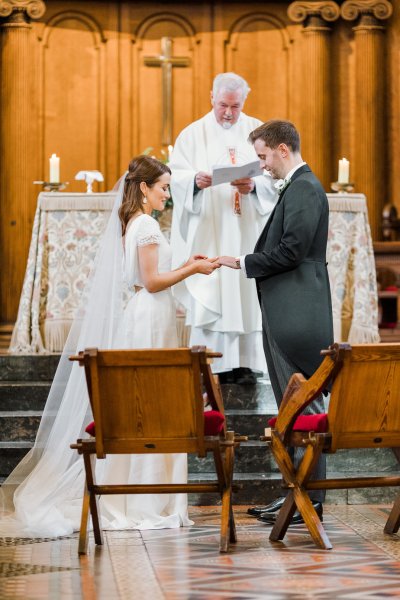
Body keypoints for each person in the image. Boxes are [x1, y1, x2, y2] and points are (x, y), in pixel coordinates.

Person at [0, 156, 219, 537]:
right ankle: (147, 499)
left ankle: (141, 494)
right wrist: (192, 269)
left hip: (150, 315)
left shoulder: (135, 223)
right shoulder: (147, 223)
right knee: (152, 405)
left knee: (148, 403)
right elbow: (151, 282)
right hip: (150, 317)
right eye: (163, 187)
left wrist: (184, 262)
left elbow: (148, 276)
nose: (167, 195)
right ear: (145, 188)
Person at [218, 120, 333, 524]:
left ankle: (306, 500)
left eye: (264, 156)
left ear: (284, 149)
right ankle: (300, 497)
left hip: (295, 313)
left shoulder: (303, 187)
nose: (262, 166)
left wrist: (244, 261)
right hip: (292, 307)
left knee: (298, 405)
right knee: (297, 405)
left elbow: (292, 251)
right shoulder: (302, 186)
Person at [169, 72, 277, 381]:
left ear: (245, 102)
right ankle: (213, 365)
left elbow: (274, 176)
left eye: (236, 106)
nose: (229, 113)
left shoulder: (259, 131)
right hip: (210, 229)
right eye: (223, 105)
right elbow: (176, 175)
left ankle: (247, 364)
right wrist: (194, 182)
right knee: (214, 291)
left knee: (246, 293)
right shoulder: (192, 134)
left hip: (247, 231)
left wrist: (254, 187)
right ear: (211, 99)